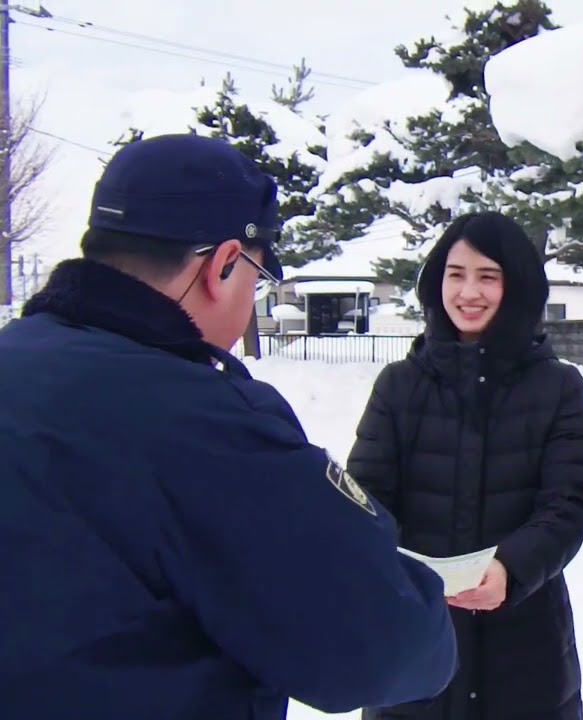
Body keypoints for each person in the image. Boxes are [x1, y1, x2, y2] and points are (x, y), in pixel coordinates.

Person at [0, 134, 458, 719]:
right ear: (223, 264)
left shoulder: (15, 364)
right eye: (258, 279)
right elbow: (379, 647)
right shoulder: (205, 425)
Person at [347, 211, 583, 720]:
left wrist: (512, 567)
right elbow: (367, 495)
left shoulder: (558, 388)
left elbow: (569, 503)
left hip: (526, 645)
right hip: (416, 636)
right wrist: (394, 575)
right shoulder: (400, 386)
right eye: (456, 274)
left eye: (488, 276)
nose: (469, 292)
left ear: (518, 286)